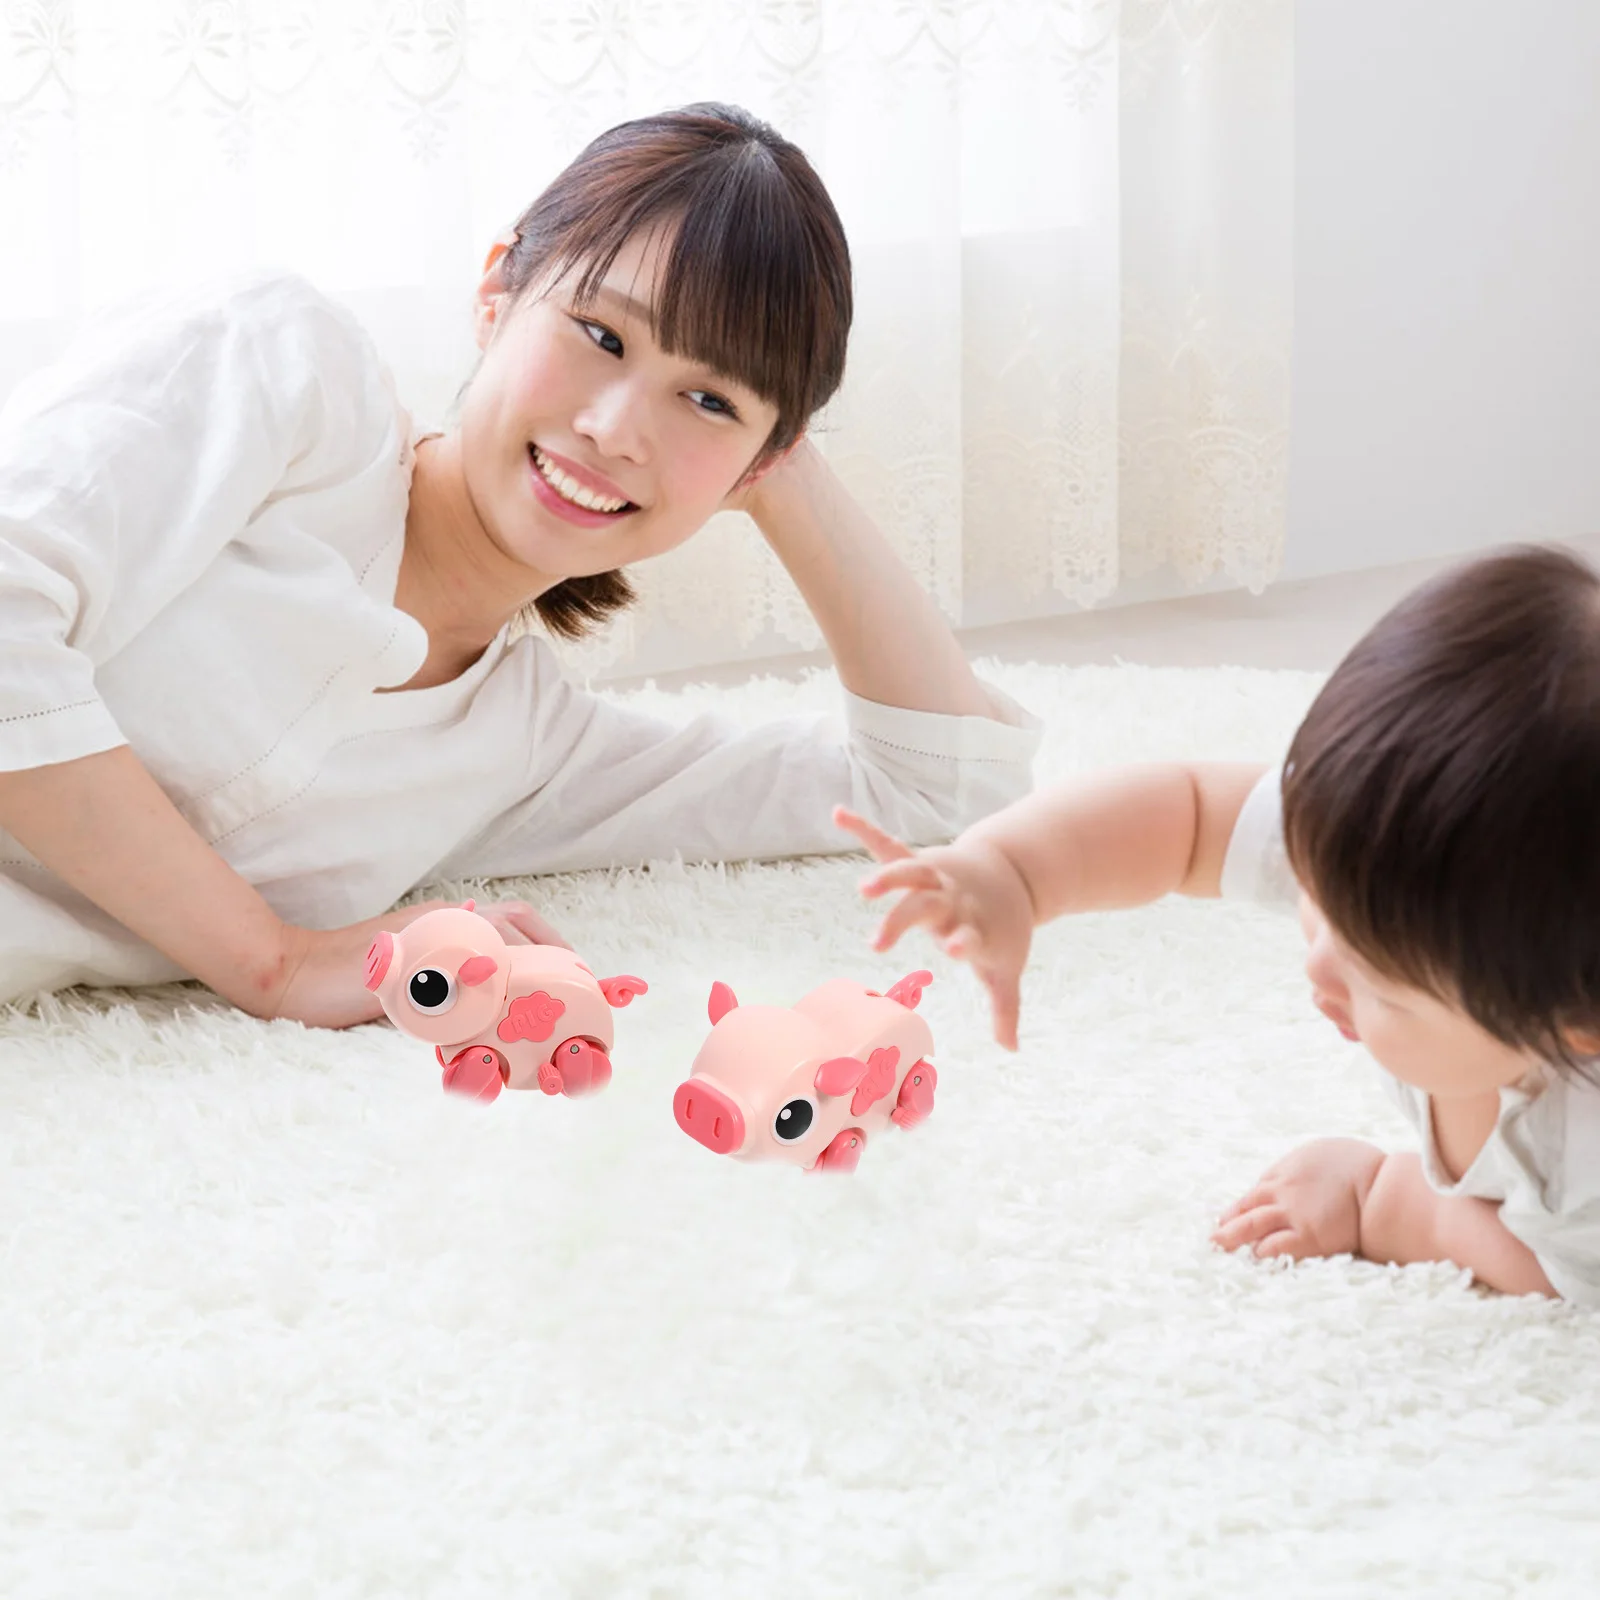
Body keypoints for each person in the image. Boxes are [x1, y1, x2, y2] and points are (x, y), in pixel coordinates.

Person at [0, 103, 1040, 1028]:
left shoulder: (526, 751)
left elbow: (934, 794)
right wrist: (274, 962)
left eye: (708, 400)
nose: (614, 428)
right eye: (599, 333)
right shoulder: (289, 373)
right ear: (498, 290)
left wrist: (775, 470)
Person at [838, 545, 1600, 1303]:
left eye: (1385, 986)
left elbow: (1553, 1273)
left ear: (1577, 1025)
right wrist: (1011, 872)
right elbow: (1194, 812)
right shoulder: (1385, 847)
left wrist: (1388, 1198)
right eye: (1319, 904)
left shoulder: (1581, 1165)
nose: (1320, 968)